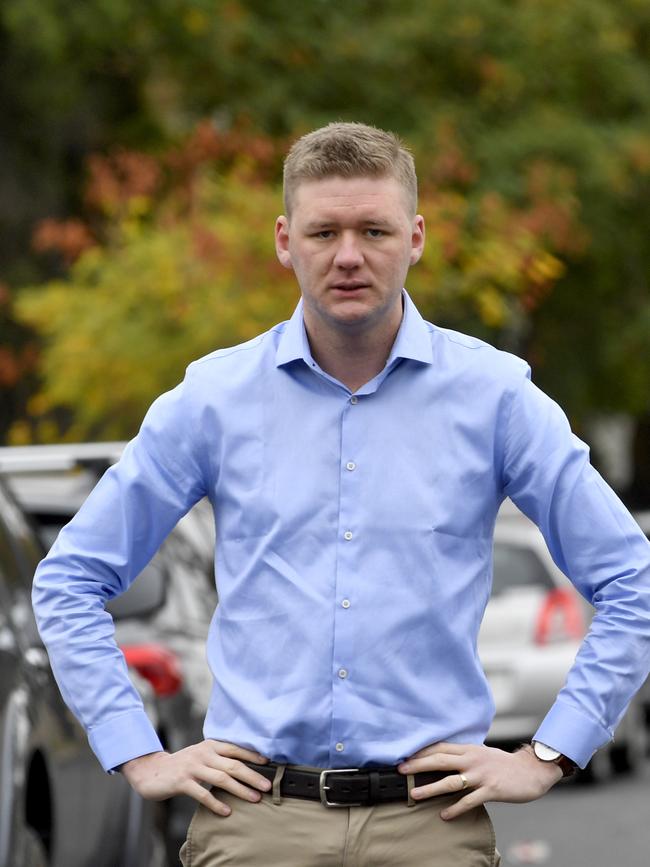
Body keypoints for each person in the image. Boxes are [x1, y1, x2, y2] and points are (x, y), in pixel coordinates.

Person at [32, 122, 650, 867]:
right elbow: (69, 578)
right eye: (324, 231)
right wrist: (138, 751)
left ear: (415, 237)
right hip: (255, 823)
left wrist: (551, 752)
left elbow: (632, 579)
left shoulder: (494, 398)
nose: (349, 255)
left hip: (428, 825)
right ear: (285, 241)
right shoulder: (214, 400)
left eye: (374, 230)